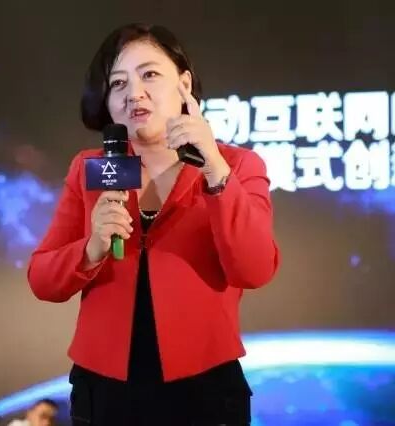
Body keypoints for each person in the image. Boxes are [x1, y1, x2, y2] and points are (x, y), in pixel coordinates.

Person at [27, 23, 280, 426]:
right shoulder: (92, 167)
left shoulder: (236, 165)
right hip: (105, 392)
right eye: (118, 83)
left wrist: (214, 169)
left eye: (149, 74)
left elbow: (254, 268)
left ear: (184, 84)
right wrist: (92, 248)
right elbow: (42, 278)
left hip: (204, 389)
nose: (134, 93)